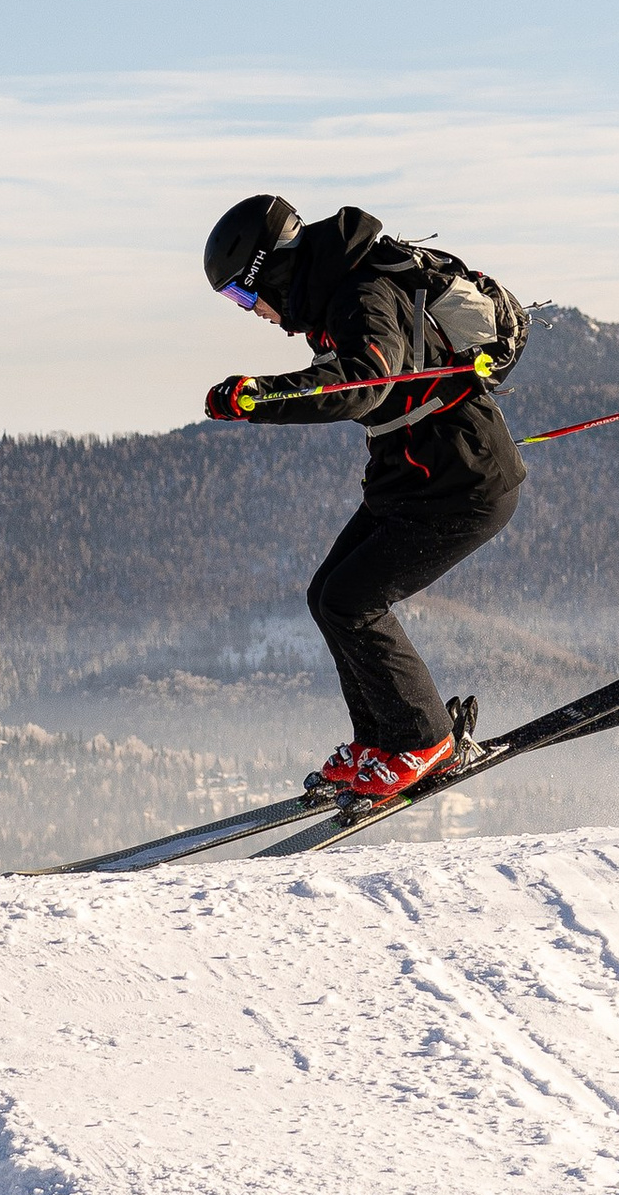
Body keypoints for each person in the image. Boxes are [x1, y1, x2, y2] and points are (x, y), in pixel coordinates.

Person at [201, 194, 525, 802]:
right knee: (328, 596)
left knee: (352, 601)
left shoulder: (362, 293)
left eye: (243, 295)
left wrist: (259, 396)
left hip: (460, 485)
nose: (251, 311)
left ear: (269, 268)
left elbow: (361, 385)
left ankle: (423, 740)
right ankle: (382, 739)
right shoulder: (341, 291)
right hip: (413, 479)